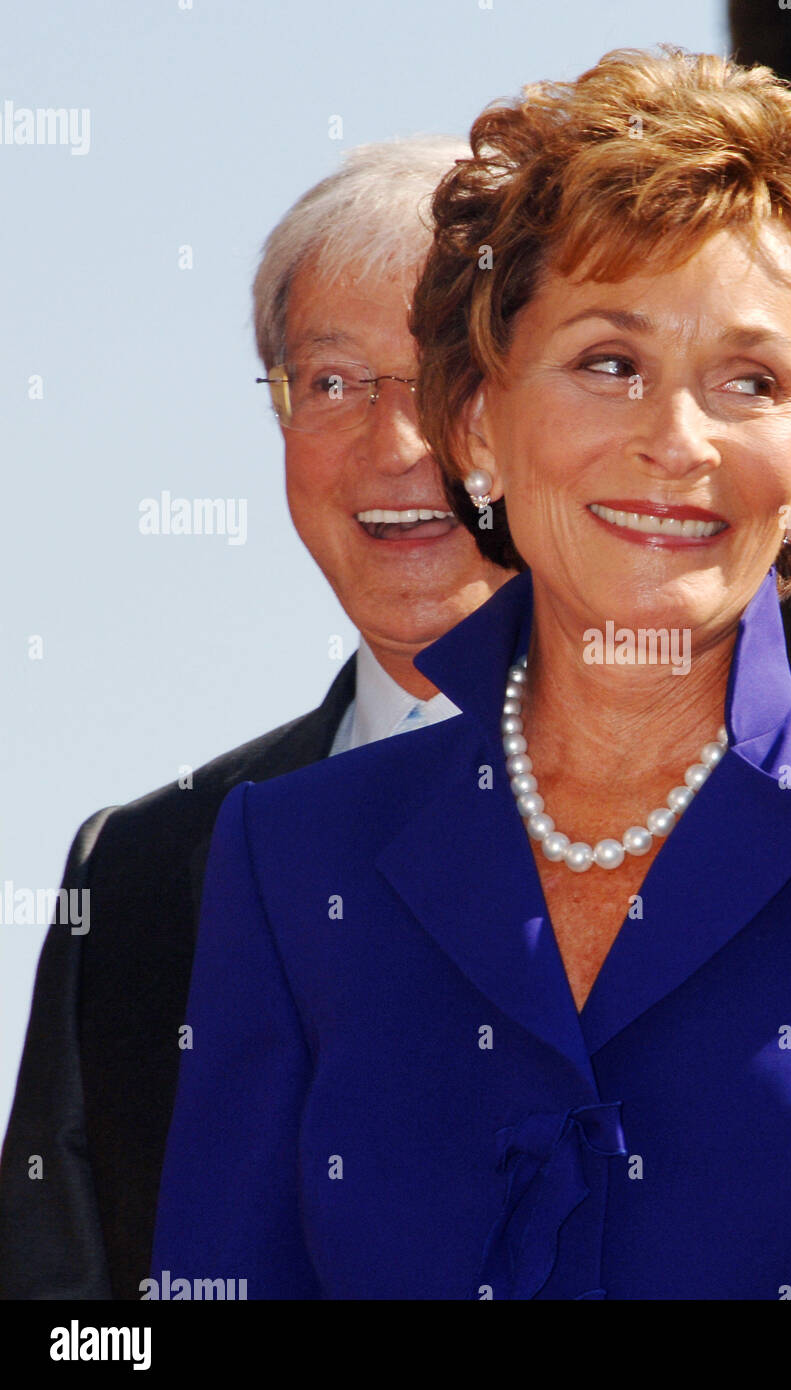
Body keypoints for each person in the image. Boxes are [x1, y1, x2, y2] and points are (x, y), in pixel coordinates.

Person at [151, 49, 791, 1299]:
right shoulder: (290, 854)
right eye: (609, 361)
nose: (675, 439)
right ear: (479, 420)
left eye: (748, 381)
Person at [0, 137, 511, 1300]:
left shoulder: (753, 815)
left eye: (451, 377)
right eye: (332, 383)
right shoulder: (134, 874)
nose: (397, 446)